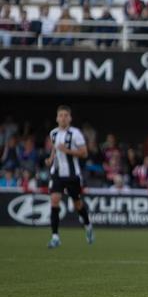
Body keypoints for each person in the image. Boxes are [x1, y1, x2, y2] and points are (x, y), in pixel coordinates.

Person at [46, 105, 94, 249]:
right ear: (57, 118)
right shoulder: (53, 133)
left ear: (70, 118)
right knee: (55, 200)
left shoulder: (76, 133)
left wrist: (67, 150)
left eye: (66, 115)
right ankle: (55, 237)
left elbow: (84, 153)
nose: (63, 118)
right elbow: (55, 149)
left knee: (77, 203)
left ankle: (87, 224)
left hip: (72, 175)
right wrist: (50, 159)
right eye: (60, 115)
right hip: (57, 174)